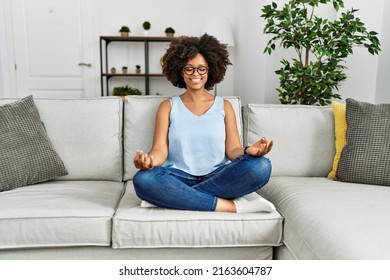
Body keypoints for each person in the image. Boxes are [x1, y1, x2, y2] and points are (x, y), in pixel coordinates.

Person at [133, 34, 274, 213]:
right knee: (144, 179)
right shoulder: (168, 106)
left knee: (261, 166)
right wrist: (149, 161)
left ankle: (171, 198)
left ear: (211, 70)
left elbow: (233, 151)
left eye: (201, 69)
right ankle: (233, 206)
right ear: (180, 71)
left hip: (219, 176)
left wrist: (248, 152)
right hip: (178, 177)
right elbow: (160, 150)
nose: (195, 74)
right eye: (189, 69)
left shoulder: (224, 106)